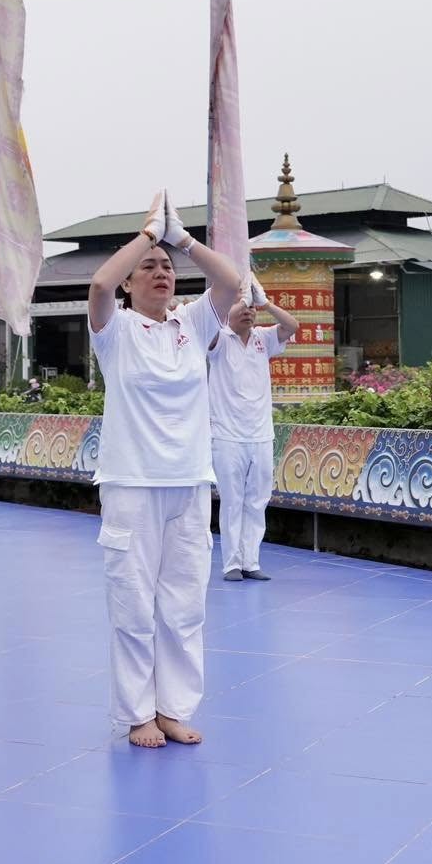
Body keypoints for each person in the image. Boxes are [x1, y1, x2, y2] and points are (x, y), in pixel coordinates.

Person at [88, 189, 242, 749]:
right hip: (131, 485)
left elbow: (231, 282)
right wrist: (149, 236)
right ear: (131, 282)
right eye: (148, 267)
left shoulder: (193, 325)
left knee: (183, 606)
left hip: (189, 484)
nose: (160, 273)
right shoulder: (116, 331)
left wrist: (182, 239)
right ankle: (137, 715)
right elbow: (99, 285)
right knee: (133, 607)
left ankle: (173, 708)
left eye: (167, 268)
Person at [208, 275, 298, 582]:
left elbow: (292, 326)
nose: (248, 311)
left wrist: (266, 303)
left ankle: (251, 561)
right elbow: (208, 329)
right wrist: (231, 301)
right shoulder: (219, 339)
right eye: (241, 305)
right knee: (232, 501)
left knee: (258, 501)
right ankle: (232, 563)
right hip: (227, 436)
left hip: (261, 434)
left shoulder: (264, 338)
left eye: (251, 307)